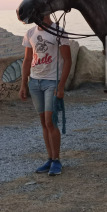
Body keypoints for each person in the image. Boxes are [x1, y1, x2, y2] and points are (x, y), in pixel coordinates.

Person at [19, 14, 72, 176]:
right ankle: (50, 158)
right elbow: (27, 60)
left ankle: (57, 160)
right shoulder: (30, 33)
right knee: (43, 122)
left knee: (51, 121)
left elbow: (68, 61)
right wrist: (24, 84)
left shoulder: (59, 32)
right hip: (35, 83)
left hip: (52, 82)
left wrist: (61, 86)